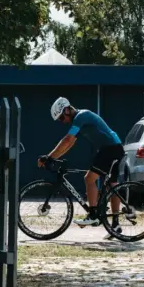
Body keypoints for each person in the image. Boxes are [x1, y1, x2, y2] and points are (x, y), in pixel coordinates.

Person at [38, 96, 124, 238]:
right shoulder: (79, 119)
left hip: (110, 149)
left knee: (89, 179)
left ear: (67, 110)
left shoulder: (81, 116)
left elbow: (67, 139)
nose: (62, 122)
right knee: (111, 185)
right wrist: (53, 157)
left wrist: (49, 157)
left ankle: (93, 214)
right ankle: (115, 226)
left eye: (61, 118)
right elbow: (70, 143)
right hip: (113, 147)